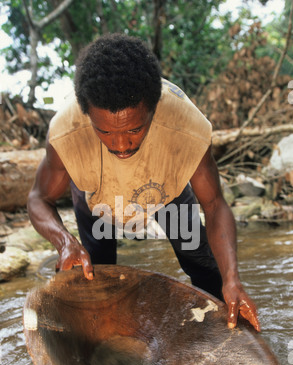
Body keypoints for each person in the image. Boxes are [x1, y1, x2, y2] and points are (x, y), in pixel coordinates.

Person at [27, 33, 260, 332]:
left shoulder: (185, 126)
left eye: (134, 129)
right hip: (97, 199)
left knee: (206, 270)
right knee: (95, 277)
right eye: (106, 132)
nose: (122, 145)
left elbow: (214, 204)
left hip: (164, 191)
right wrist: (64, 243)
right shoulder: (66, 133)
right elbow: (38, 198)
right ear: (87, 117)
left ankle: (228, 331)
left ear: (153, 108)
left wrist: (233, 279)